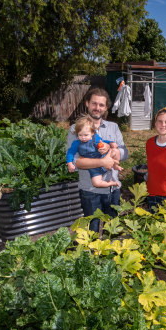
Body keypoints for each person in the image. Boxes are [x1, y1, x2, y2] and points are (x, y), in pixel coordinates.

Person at [67, 88, 128, 232]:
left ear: (106, 107)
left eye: (101, 105)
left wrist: (112, 150)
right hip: (90, 190)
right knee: (92, 230)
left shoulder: (114, 127)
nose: (97, 108)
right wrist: (102, 162)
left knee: (112, 230)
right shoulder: (75, 129)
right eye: (94, 104)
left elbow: (125, 152)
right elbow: (76, 162)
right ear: (87, 104)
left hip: (113, 190)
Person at [66, 115, 122, 188]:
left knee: (116, 151)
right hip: (93, 167)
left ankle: (115, 166)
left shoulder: (95, 139)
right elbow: (70, 153)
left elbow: (103, 141)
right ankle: (111, 183)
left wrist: (110, 143)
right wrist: (70, 163)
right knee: (96, 183)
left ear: (92, 133)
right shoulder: (76, 143)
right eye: (80, 135)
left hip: (102, 156)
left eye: (86, 135)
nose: (83, 138)